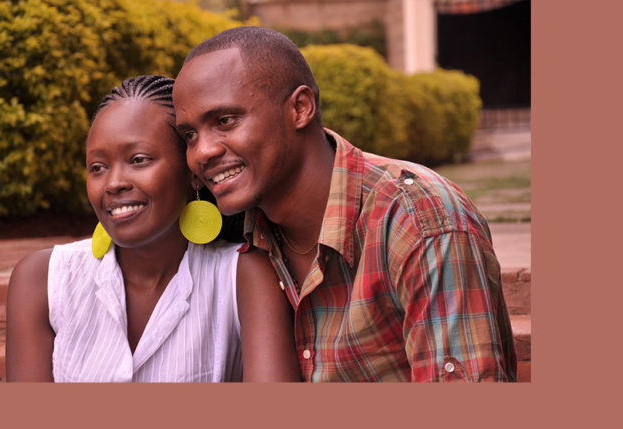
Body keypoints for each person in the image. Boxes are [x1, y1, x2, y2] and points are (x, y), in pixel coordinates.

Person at [172, 27, 517, 382]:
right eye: (190, 136)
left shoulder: (417, 218)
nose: (202, 152)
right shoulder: (254, 235)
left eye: (225, 121)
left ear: (300, 109)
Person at [6, 75, 301, 382]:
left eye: (138, 160)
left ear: (192, 173)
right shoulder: (44, 280)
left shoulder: (242, 276)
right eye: (98, 167)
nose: (114, 183)